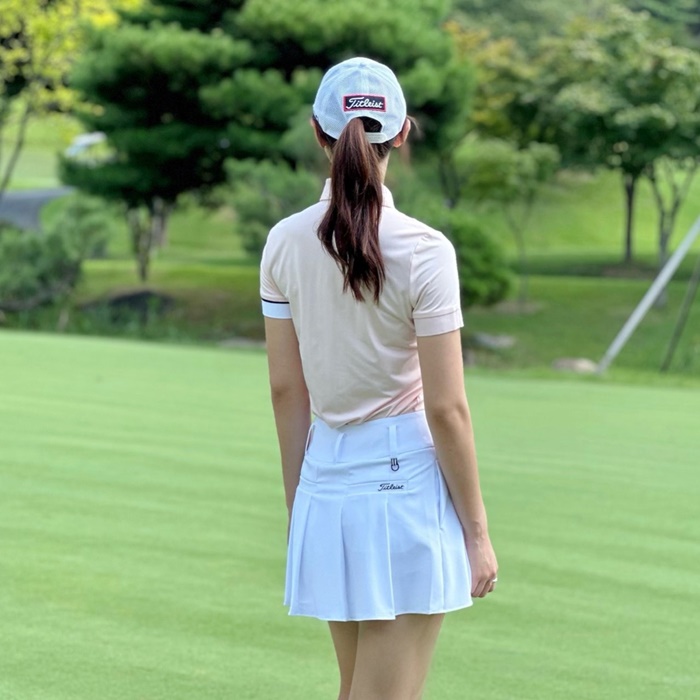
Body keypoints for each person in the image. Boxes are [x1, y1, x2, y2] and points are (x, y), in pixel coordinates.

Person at [260, 57, 498, 700]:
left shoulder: (283, 242)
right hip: (404, 490)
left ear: (318, 132)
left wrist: (300, 509)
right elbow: (447, 408)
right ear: (403, 132)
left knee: (357, 689)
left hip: (324, 481)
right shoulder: (424, 249)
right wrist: (478, 534)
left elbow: (287, 391)